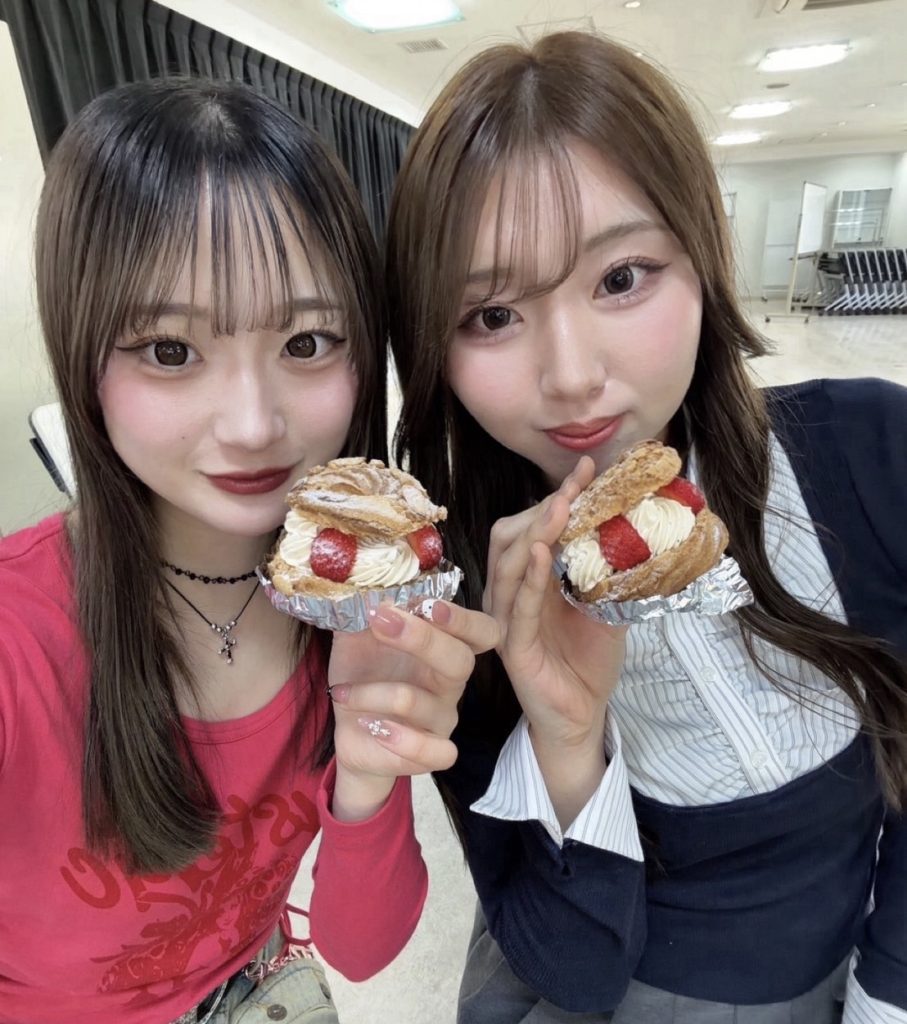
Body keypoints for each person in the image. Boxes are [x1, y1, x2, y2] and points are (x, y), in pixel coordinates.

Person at [385, 30, 907, 1024]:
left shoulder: (871, 450)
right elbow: (567, 959)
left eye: (621, 277)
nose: (572, 374)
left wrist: (889, 994)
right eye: (490, 315)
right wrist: (568, 740)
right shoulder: (466, 592)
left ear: (702, 255)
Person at [0, 78, 498, 1024]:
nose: (253, 424)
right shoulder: (18, 646)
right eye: (169, 351)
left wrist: (371, 759)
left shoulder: (348, 602)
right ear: (82, 355)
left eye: (306, 341)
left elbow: (361, 947)